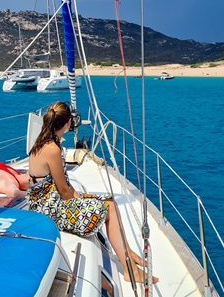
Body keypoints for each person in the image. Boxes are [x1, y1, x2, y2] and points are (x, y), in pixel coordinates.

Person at [27, 101, 158, 284]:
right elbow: (64, 191)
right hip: (51, 211)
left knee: (110, 202)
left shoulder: (43, 141)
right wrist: (82, 201)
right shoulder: (52, 149)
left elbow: (56, 187)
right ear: (67, 123)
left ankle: (128, 253)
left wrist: (83, 199)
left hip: (47, 204)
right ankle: (130, 271)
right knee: (108, 209)